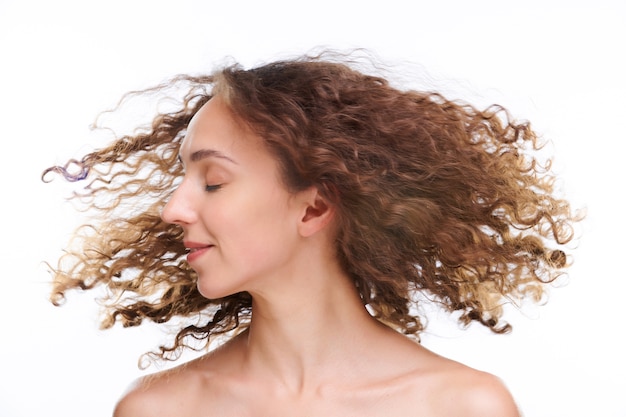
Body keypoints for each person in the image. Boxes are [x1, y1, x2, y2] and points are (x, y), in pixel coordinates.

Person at [43, 51, 578, 416]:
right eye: (181, 178)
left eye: (213, 181)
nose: (172, 210)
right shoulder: (160, 410)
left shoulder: (462, 407)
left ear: (314, 207)